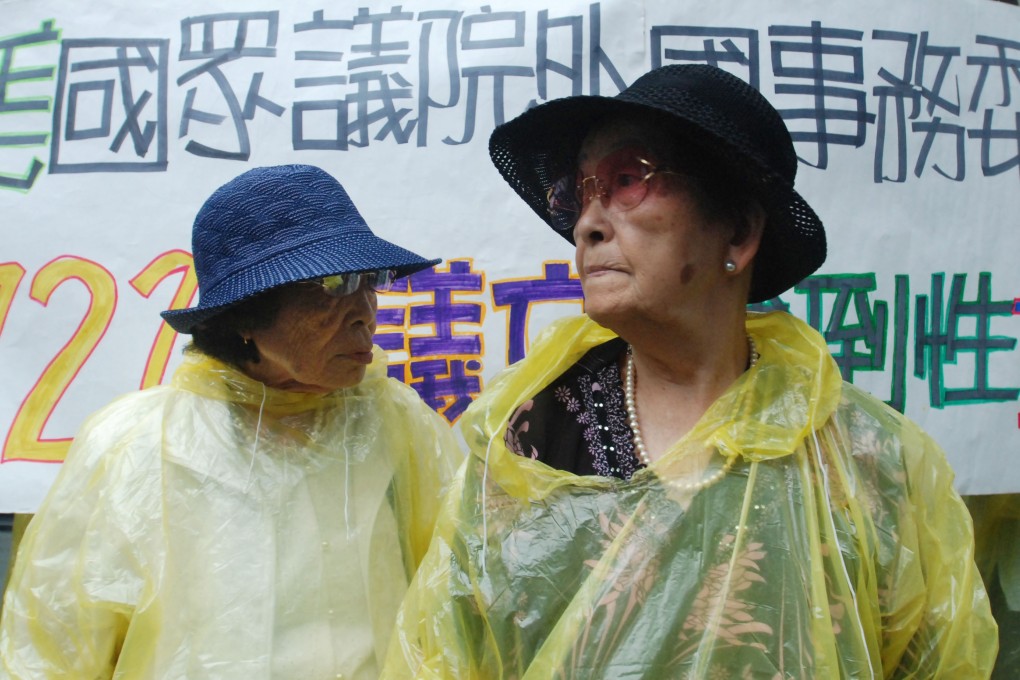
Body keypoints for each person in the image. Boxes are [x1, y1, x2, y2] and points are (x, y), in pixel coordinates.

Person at [383, 65, 998, 678]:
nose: (587, 224)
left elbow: (936, 657)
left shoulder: (865, 459)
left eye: (627, 181)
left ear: (737, 231)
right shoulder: (528, 443)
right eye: (579, 193)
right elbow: (448, 649)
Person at [0, 164, 461, 679]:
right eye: (334, 284)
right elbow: (50, 650)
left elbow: (460, 599)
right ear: (245, 315)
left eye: (370, 280)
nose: (365, 312)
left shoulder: (397, 423)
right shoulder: (133, 444)